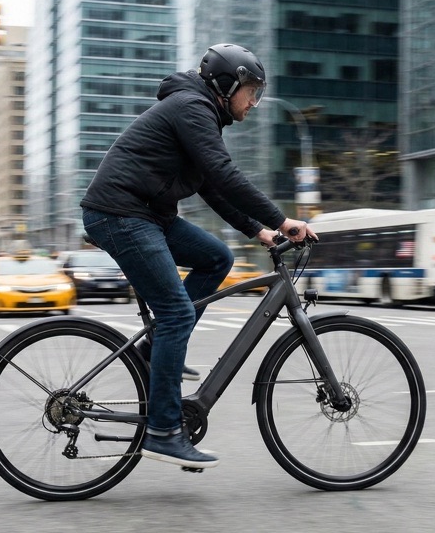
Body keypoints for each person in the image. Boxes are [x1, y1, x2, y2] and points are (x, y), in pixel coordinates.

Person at [81, 43, 316, 470]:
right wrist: (283, 222)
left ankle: (155, 353)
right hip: (122, 214)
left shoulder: (200, 113)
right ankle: (164, 430)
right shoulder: (192, 107)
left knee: (216, 258)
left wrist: (258, 230)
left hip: (148, 214)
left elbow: (211, 185)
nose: (255, 103)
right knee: (176, 314)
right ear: (227, 85)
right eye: (252, 92)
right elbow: (226, 175)